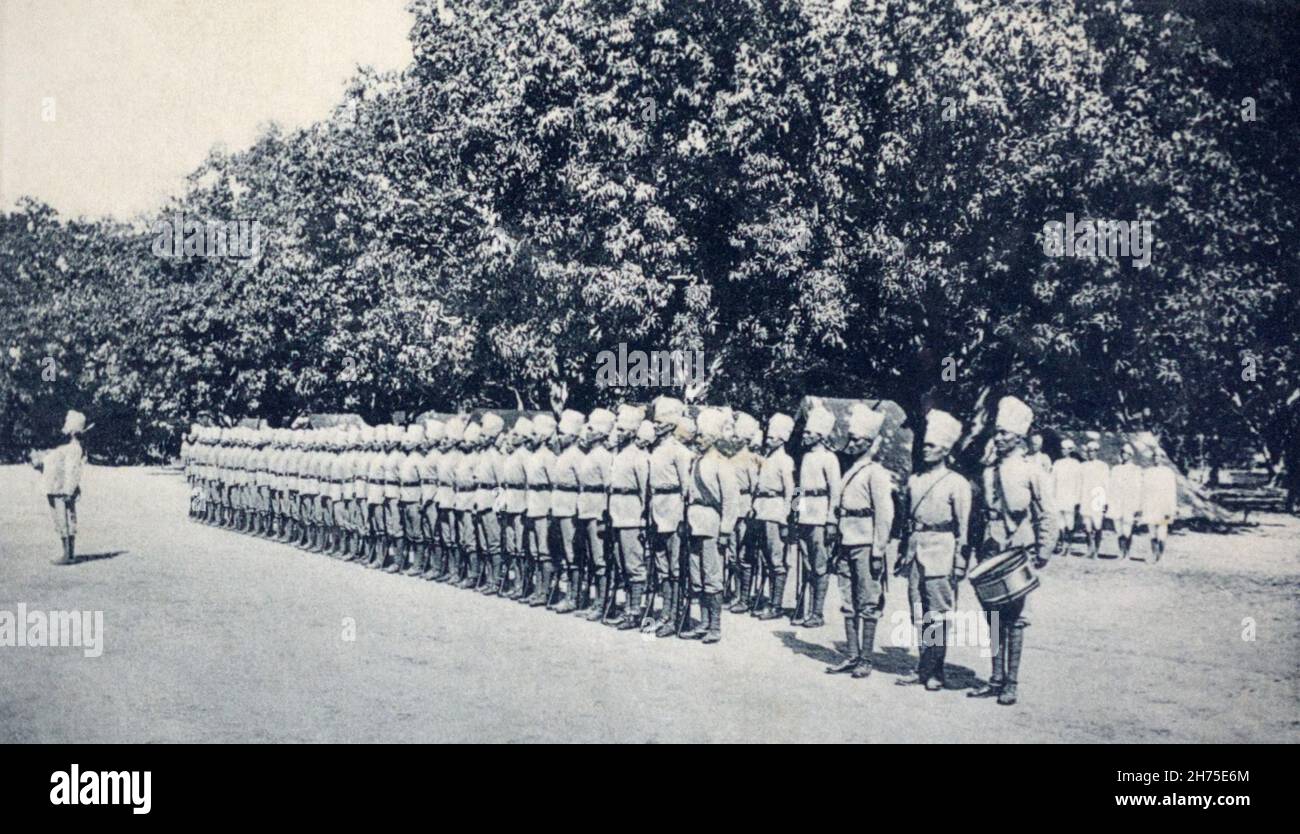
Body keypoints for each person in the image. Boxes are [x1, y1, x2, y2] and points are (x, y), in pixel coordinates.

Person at [970, 396, 1055, 706]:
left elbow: (1047, 513)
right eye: (997, 432)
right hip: (990, 550)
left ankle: (1011, 682)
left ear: (1019, 437)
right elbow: (980, 512)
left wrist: (1043, 549)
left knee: (1016, 617)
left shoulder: (1032, 471)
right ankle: (994, 677)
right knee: (991, 614)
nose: (999, 438)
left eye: (1005, 433)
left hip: (1019, 550)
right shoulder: (988, 471)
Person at [895, 410, 970, 691]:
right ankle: (921, 666)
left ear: (946, 449)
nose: (926, 450)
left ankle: (936, 671)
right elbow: (906, 521)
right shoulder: (915, 481)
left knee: (939, 613)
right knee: (918, 611)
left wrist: (960, 559)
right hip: (916, 549)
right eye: (925, 445)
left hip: (943, 549)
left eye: (932, 446)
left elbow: (963, 527)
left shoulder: (957, 483)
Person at [826, 405, 894, 678]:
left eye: (857, 440)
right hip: (846, 540)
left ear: (868, 443)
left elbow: (885, 514)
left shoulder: (875, 472)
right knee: (847, 599)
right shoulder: (850, 469)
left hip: (865, 543)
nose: (851, 444)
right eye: (851, 439)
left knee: (868, 600)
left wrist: (878, 549)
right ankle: (852, 655)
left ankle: (866, 658)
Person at [681, 408, 739, 643]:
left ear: (714, 437)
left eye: (704, 436)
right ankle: (703, 622)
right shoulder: (696, 461)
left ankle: (715, 626)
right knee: (697, 576)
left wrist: (725, 530)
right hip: (695, 523)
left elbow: (731, 499)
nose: (699, 439)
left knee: (712, 576)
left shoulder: (721, 463)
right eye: (699, 435)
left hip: (712, 523)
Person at [647, 397, 694, 636]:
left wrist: (685, 518)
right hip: (659, 509)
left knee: (676, 568)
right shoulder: (656, 450)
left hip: (675, 509)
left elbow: (687, 488)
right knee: (661, 566)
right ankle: (665, 613)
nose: (655, 426)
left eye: (660, 422)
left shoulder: (681, 452)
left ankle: (675, 617)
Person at [795, 405, 840, 628]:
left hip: (820, 516)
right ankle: (804, 609)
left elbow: (835, 491)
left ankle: (817, 612)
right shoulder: (804, 458)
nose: (805, 436)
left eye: (809, 433)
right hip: (804, 516)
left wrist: (831, 519)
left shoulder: (830, 459)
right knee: (806, 564)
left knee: (820, 565)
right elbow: (799, 488)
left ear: (820, 436)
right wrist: (796, 512)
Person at [605, 407, 650, 628]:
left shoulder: (640, 457)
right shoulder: (618, 455)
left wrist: (642, 518)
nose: (618, 432)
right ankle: (626, 608)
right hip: (616, 514)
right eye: (617, 428)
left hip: (631, 515)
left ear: (633, 432)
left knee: (634, 565)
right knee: (621, 562)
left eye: (623, 429)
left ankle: (634, 611)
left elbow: (644, 491)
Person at [752, 413, 796, 620]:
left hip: (776, 511)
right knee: (765, 558)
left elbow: (792, 490)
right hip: (762, 510)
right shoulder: (767, 459)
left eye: (772, 438)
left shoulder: (785, 461)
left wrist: (788, 516)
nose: (768, 441)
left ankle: (776, 604)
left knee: (776, 560)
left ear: (781, 440)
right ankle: (767, 600)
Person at [34, 410, 88, 565]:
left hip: (60, 489)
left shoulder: (72, 449)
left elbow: (72, 470)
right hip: (58, 487)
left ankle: (67, 554)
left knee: (63, 519)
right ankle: (69, 553)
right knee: (66, 518)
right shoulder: (70, 448)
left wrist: (69, 490)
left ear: (71, 430)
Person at [577, 409, 615, 620]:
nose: (587, 432)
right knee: (591, 557)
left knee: (600, 559)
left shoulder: (604, 457)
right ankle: (593, 601)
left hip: (597, 509)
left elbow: (609, 488)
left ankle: (602, 605)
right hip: (585, 508)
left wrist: (604, 516)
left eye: (591, 428)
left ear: (601, 433)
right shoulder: (589, 455)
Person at [550, 409, 586, 612]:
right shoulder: (563, 455)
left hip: (570, 507)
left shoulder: (577, 456)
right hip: (559, 506)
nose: (559, 437)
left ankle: (574, 597)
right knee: (563, 551)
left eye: (563, 433)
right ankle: (569, 594)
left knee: (573, 554)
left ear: (573, 436)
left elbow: (582, 485)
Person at [726, 413, 762, 613]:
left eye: (738, 437)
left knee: (743, 554)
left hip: (744, 507)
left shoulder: (750, 459)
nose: (734, 440)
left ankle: (745, 597)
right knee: (732, 555)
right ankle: (736, 592)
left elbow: (756, 486)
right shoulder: (728, 458)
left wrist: (752, 508)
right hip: (731, 507)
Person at [524, 414, 558, 606]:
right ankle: (537, 590)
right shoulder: (532, 456)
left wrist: (551, 509)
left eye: (535, 433)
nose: (531, 437)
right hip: (533, 505)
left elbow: (554, 484)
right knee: (535, 550)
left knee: (545, 551)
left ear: (544, 436)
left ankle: (545, 592)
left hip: (544, 506)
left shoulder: (549, 457)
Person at [474, 413, 506, 593]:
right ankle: (488, 578)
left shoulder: (495, 456)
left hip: (490, 500)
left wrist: (498, 504)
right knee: (484, 543)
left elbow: (501, 483)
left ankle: (495, 581)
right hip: (480, 499)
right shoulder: (483, 454)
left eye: (485, 435)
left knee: (493, 543)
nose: (481, 438)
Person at [500, 417, 532, 597]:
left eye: (517, 435)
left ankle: (523, 585)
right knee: (511, 545)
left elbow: (529, 482)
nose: (513, 437)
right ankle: (516, 583)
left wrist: (528, 504)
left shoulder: (526, 457)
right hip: (509, 502)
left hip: (521, 503)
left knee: (521, 547)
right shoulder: (511, 456)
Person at [1139, 445, 1178, 561]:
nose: (1157, 459)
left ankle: (1161, 556)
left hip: (1164, 506)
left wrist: (1173, 508)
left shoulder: (1168, 472)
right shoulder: (1148, 472)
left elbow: (1172, 491)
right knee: (1152, 533)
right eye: (1155, 456)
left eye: (1159, 456)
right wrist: (1142, 505)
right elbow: (1143, 490)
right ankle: (1154, 554)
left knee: (1162, 532)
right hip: (1150, 505)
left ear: (1163, 458)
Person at [1106, 443, 1143, 559]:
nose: (1124, 455)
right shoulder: (1116, 469)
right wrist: (1109, 501)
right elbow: (1110, 487)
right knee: (1118, 529)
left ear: (1131, 455)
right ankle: (1120, 552)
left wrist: (1138, 506)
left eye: (1127, 453)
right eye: (1123, 453)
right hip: (1117, 501)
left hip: (1129, 502)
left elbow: (1138, 488)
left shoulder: (1136, 469)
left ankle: (1127, 553)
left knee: (1127, 528)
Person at [1078, 438, 1110, 559]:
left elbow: (1106, 484)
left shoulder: (1103, 466)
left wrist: (1106, 501)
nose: (1091, 453)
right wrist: (1079, 498)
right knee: (1087, 526)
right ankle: (1089, 549)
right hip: (1085, 497)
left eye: (1093, 451)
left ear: (1097, 452)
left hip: (1098, 497)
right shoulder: (1082, 466)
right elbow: (1079, 483)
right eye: (1089, 451)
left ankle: (1096, 550)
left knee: (1097, 525)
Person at [1051, 438, 1082, 555]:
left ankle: (1068, 546)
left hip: (1070, 497)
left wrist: (1077, 499)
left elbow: (1079, 483)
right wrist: (1052, 496)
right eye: (1062, 448)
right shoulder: (1057, 463)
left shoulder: (1076, 464)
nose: (1064, 451)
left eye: (1067, 449)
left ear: (1071, 450)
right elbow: (1052, 481)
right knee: (1060, 524)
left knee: (1070, 523)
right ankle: (1062, 544)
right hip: (1058, 496)